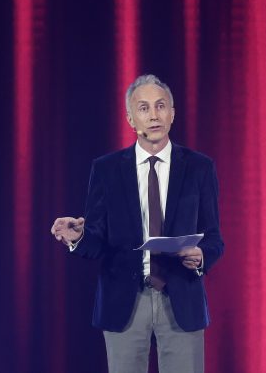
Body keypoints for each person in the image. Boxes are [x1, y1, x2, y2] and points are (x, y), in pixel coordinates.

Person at [50, 74, 224, 373]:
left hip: (181, 297)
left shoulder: (199, 167)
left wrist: (201, 256)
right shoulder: (106, 169)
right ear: (131, 119)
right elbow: (97, 239)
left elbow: (214, 238)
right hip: (124, 301)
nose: (153, 115)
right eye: (144, 108)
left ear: (172, 113)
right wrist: (78, 237)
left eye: (160, 106)